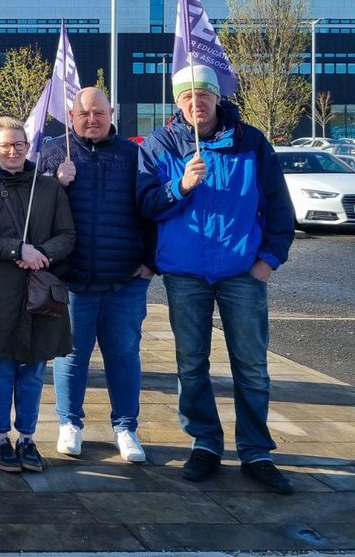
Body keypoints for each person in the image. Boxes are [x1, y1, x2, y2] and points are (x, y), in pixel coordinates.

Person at [138, 65, 296, 494]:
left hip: (242, 273)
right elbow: (145, 206)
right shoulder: (160, 144)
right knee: (191, 365)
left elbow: (280, 208)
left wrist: (268, 260)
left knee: (251, 366)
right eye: (187, 96)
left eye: (204, 95)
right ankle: (205, 443)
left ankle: (256, 451)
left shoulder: (251, 142)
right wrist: (181, 186)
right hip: (185, 273)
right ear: (177, 101)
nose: (196, 103)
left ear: (216, 98)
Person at [37, 88, 154, 463]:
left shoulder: (134, 155)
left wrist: (151, 262)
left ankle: (126, 427)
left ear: (112, 113)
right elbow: (31, 213)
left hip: (124, 279)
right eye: (84, 113)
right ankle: (69, 423)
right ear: (71, 116)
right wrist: (56, 182)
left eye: (99, 112)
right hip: (72, 279)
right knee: (71, 356)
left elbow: (152, 211)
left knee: (124, 356)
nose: (92, 119)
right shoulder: (53, 152)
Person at [0, 116, 74, 474]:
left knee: (33, 369)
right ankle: (0, 438)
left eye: (19, 144)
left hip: (40, 291)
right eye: (5, 146)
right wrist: (17, 250)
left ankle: (27, 436)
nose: (13, 151)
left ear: (29, 146)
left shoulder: (49, 188)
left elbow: (67, 235)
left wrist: (42, 254)